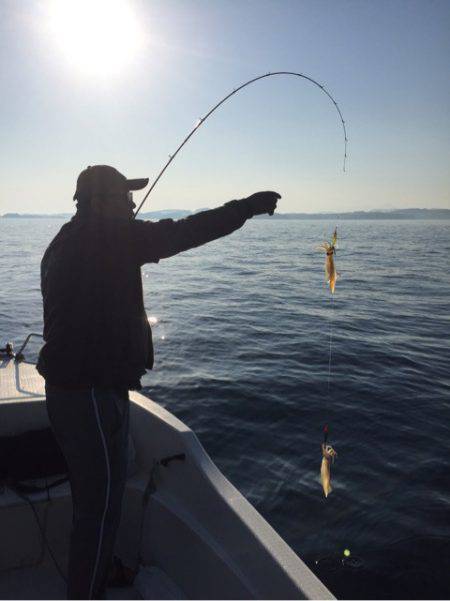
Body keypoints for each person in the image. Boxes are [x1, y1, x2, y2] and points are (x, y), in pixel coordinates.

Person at [37, 164, 280, 599]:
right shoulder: (106, 239)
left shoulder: (66, 242)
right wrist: (246, 207)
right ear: (97, 202)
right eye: (123, 197)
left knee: (99, 494)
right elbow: (185, 231)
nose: (131, 204)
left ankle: (97, 569)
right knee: (100, 503)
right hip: (88, 394)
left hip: (81, 390)